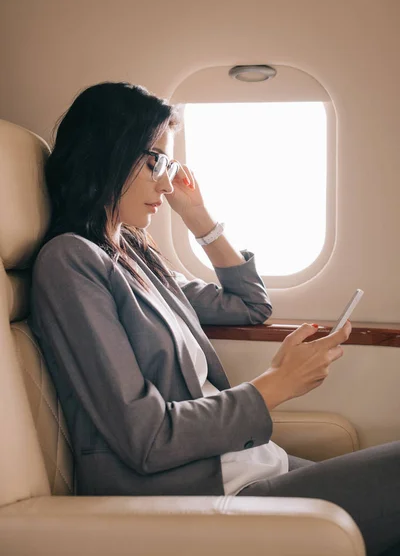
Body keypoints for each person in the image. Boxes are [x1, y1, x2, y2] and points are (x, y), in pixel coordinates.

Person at [29, 82, 400, 556]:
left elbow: (250, 305)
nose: (166, 182)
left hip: (248, 463)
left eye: (168, 164)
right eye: (154, 161)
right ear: (109, 151)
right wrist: (275, 385)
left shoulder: (135, 254)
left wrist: (198, 216)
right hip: (199, 493)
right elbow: (146, 438)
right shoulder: (70, 263)